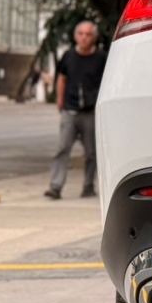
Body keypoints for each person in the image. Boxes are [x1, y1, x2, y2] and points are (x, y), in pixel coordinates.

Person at [45, 21, 107, 199]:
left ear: (94, 37)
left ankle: (88, 185)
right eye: (81, 34)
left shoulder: (101, 58)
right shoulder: (68, 56)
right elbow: (62, 78)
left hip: (90, 112)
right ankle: (55, 187)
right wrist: (60, 99)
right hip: (70, 110)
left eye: (88, 34)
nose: (84, 38)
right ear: (75, 36)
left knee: (91, 152)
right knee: (62, 148)